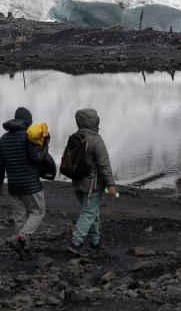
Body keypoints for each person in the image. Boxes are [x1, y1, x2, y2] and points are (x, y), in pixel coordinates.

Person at [0, 106, 48, 259]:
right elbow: (37, 158)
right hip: (30, 184)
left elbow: (0, 163)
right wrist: (46, 145)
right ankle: (21, 239)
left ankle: (23, 250)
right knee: (38, 211)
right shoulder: (29, 137)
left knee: (20, 217)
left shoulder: (4, 138)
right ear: (28, 122)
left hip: (14, 185)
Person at [65, 108, 119, 257]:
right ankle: (76, 242)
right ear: (94, 121)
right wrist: (111, 185)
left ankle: (95, 241)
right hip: (92, 186)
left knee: (92, 212)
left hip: (77, 183)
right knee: (89, 212)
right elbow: (104, 164)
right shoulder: (96, 140)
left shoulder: (75, 137)